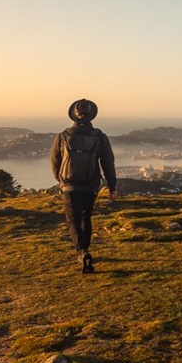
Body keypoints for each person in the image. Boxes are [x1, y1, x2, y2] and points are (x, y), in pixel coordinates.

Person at [50, 99, 118, 274]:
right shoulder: (99, 137)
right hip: (90, 185)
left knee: (73, 219)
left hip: (69, 185)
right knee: (86, 217)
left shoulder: (63, 136)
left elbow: (55, 162)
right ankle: (85, 249)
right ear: (91, 115)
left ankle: (82, 251)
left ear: (74, 114)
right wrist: (112, 186)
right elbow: (108, 163)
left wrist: (61, 180)